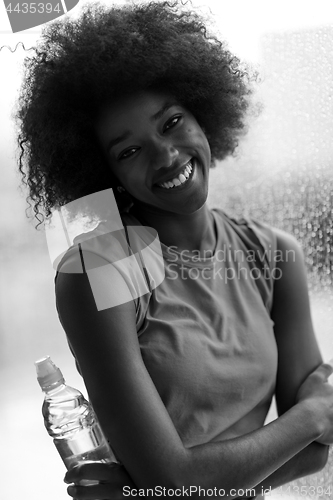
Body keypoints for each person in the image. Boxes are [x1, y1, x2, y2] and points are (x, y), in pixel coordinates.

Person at [16, 1, 333, 499]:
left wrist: (152, 494)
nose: (165, 155)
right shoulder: (98, 269)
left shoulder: (273, 254)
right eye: (129, 151)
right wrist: (313, 414)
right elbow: (176, 480)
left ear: (205, 113)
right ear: (106, 173)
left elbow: (316, 453)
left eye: (171, 122)